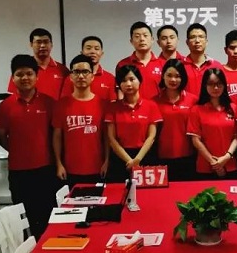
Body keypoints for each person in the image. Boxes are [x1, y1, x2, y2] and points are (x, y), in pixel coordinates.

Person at [0, 55, 56, 239]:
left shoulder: (49, 103)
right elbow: (1, 136)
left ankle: (45, 251)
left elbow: (56, 135)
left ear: (37, 76)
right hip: (18, 171)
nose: (25, 78)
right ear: (13, 78)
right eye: (19, 74)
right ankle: (27, 251)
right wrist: (18, 150)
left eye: (29, 73)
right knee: (22, 218)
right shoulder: (5, 106)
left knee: (46, 214)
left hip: (45, 169)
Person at [53, 55, 109, 186]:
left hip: (97, 168)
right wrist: (59, 163)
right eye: (76, 72)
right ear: (71, 77)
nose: (81, 76)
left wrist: (107, 161)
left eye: (85, 72)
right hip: (69, 170)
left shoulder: (103, 104)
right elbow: (57, 137)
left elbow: (107, 137)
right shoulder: (61, 105)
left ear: (92, 76)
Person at [105, 65, 163, 181]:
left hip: (145, 156)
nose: (128, 84)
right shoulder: (112, 107)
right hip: (120, 158)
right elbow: (111, 138)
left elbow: (151, 136)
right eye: (124, 81)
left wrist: (137, 160)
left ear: (139, 80)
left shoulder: (151, 105)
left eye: (132, 79)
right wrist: (129, 161)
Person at [187, 68, 237, 179]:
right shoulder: (196, 110)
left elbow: (236, 137)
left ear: (224, 85)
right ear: (205, 86)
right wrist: (214, 163)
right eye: (211, 84)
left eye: (219, 84)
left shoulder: (233, 108)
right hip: (205, 167)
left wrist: (226, 157)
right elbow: (196, 140)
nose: (215, 88)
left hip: (230, 165)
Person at [154, 59, 197, 181]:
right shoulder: (154, 102)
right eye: (169, 75)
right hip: (161, 156)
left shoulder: (193, 100)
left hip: (188, 155)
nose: (173, 80)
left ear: (183, 78)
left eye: (177, 76)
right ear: (163, 76)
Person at [7, 28, 69, 100]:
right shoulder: (21, 70)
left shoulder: (63, 70)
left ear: (51, 44)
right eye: (38, 42)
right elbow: (14, 97)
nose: (42, 45)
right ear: (31, 44)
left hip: (57, 107)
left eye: (46, 42)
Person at [59, 35, 117, 102]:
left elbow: (112, 103)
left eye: (96, 49)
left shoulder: (110, 78)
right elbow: (64, 102)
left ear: (102, 53)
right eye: (88, 48)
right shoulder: (71, 78)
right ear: (82, 52)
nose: (92, 51)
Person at [116, 21, 163, 99]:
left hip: (158, 106)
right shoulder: (122, 64)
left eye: (145, 35)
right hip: (133, 106)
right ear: (131, 41)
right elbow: (120, 92)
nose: (142, 39)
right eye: (137, 36)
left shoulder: (163, 64)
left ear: (152, 39)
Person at [182, 23, 222, 96]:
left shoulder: (216, 66)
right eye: (193, 37)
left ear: (206, 41)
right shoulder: (180, 66)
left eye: (201, 37)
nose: (197, 40)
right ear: (187, 42)